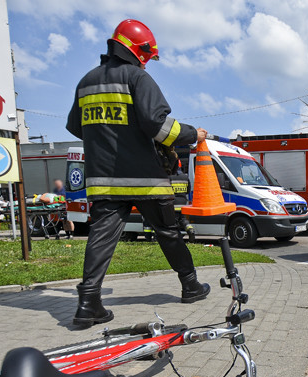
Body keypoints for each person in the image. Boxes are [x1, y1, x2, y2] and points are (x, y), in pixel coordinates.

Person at [66, 19, 210, 327]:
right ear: (137, 50)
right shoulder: (137, 78)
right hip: (146, 178)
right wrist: (191, 135)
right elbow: (158, 127)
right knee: (168, 233)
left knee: (101, 238)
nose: (147, 61)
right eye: (146, 53)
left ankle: (88, 304)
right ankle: (190, 286)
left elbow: (78, 127)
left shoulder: (86, 82)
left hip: (103, 179)